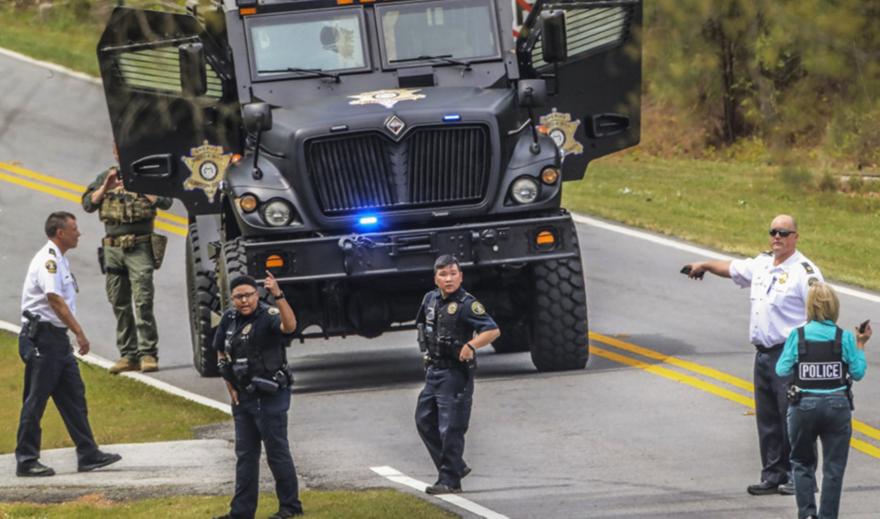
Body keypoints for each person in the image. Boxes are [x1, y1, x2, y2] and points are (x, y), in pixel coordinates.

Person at [684, 214, 822, 496]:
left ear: (796, 236)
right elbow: (733, 268)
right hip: (763, 354)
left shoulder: (805, 272)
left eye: (784, 233)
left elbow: (822, 312)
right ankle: (773, 474)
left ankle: (802, 476)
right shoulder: (762, 264)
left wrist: (809, 354)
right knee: (769, 418)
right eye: (773, 232)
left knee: (794, 418)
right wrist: (706, 266)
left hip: (791, 353)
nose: (777, 237)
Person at [16, 212, 122, 477]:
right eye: (74, 229)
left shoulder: (60, 260)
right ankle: (26, 459)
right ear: (60, 233)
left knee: (74, 396)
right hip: (43, 338)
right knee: (35, 400)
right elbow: (55, 300)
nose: (79, 233)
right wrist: (80, 333)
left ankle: (88, 453)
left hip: (57, 340)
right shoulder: (48, 261)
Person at [776, 283, 870, 519]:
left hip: (803, 404)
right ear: (834, 307)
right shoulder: (844, 337)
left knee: (801, 462)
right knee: (834, 469)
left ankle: (807, 514)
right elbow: (857, 372)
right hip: (837, 405)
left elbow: (781, 369)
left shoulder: (797, 336)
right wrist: (860, 344)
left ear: (809, 307)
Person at [213, 273, 303, 519]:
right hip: (243, 397)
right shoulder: (229, 320)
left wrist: (278, 295)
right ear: (232, 299)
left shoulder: (268, 315)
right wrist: (228, 382)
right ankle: (241, 512)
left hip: (270, 394)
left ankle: (290, 507)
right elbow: (220, 348)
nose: (244, 301)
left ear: (256, 294)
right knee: (245, 456)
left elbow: (290, 326)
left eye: (249, 295)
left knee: (276, 452)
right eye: (238, 297)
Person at [414, 254, 501, 495]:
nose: (448, 279)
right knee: (424, 420)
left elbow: (492, 330)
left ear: (460, 276)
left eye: (453, 274)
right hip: (434, 370)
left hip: (455, 372)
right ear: (436, 278)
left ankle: (449, 479)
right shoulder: (429, 300)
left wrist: (471, 346)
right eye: (443, 274)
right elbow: (423, 326)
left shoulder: (466, 304)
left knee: (451, 427)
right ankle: (456, 466)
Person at [81, 153, 172, 374]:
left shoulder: (149, 177)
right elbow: (87, 204)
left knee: (142, 299)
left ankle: (148, 352)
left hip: (139, 246)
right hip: (113, 248)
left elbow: (166, 202)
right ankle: (128, 354)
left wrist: (139, 186)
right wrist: (106, 186)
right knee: (118, 301)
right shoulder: (107, 175)